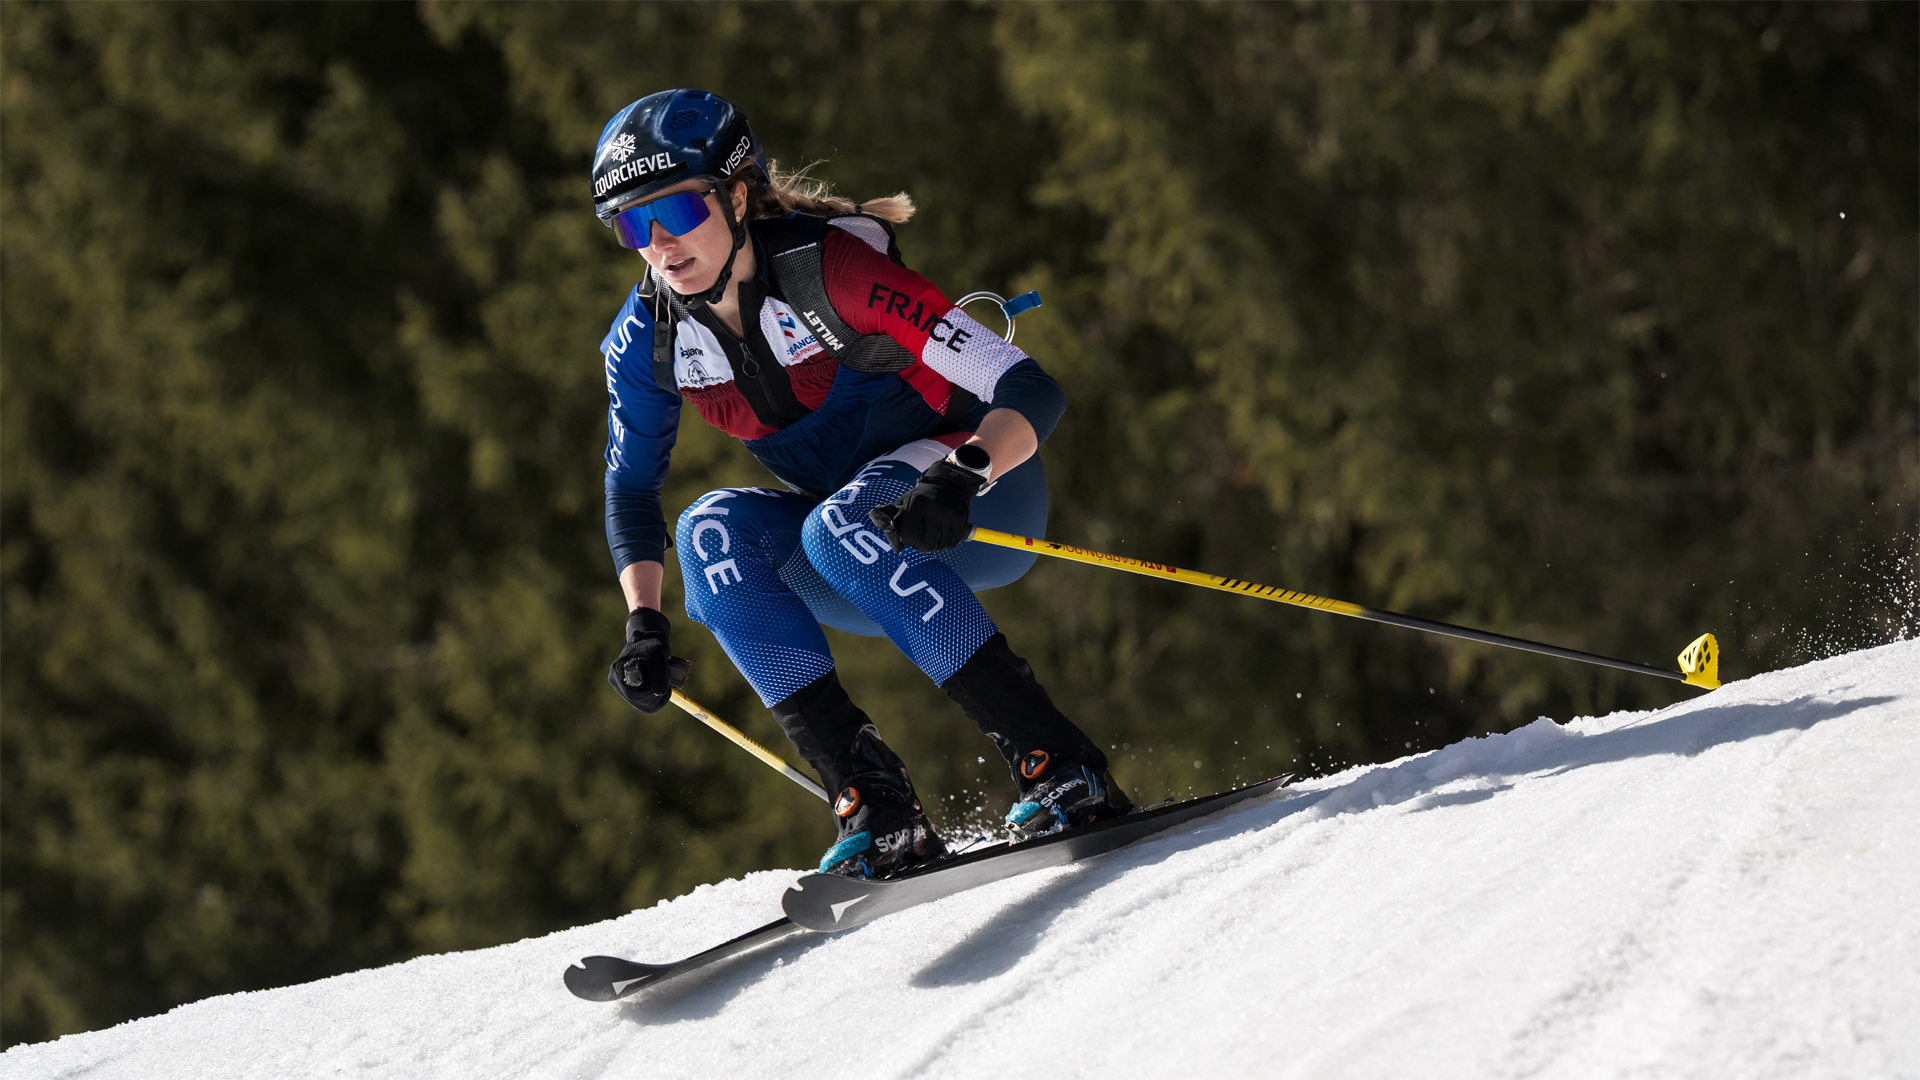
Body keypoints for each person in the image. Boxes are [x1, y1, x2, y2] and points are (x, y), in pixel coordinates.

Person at [593, 89, 1129, 880]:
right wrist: (644, 625)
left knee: (835, 526)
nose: (660, 246)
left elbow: (1030, 388)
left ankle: (1060, 763)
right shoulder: (648, 341)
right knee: (710, 537)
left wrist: (964, 475)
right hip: (853, 543)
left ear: (738, 195)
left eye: (674, 211)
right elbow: (632, 492)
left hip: (976, 496)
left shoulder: (830, 271)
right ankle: (875, 805)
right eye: (632, 225)